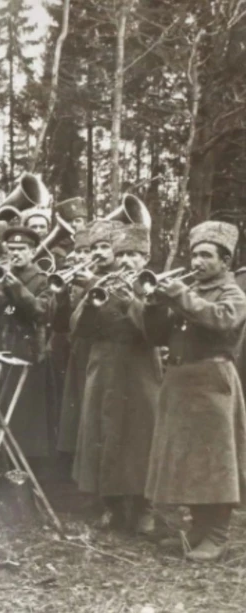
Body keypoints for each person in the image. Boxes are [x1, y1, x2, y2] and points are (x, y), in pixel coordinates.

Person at [137, 221, 246, 562]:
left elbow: (221, 320)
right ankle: (198, 530)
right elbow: (156, 337)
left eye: (206, 256)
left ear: (224, 261)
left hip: (212, 381)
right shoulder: (189, 290)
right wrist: (153, 305)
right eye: (194, 254)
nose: (197, 262)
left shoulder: (233, 293)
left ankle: (217, 536)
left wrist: (179, 295)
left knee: (214, 462)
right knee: (188, 462)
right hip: (181, 382)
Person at [69, 225, 160, 534]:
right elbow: (77, 329)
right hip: (104, 364)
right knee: (102, 431)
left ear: (146, 258)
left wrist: (131, 301)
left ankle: (143, 508)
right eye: (120, 255)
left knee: (140, 434)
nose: (125, 262)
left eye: (132, 255)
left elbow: (154, 332)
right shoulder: (102, 284)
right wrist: (92, 303)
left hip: (140, 368)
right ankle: (110, 505)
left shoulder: (153, 287)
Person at [0, 226, 54, 465]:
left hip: (25, 349)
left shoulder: (42, 280)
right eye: (12, 249)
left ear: (33, 251)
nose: (16, 254)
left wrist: (14, 287)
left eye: (22, 249)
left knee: (24, 413)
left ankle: (25, 468)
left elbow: (40, 312)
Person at [55, 227, 94, 461]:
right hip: (77, 351)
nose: (80, 256)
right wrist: (61, 296)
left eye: (87, 251)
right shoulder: (76, 280)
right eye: (78, 251)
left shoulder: (99, 279)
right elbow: (60, 324)